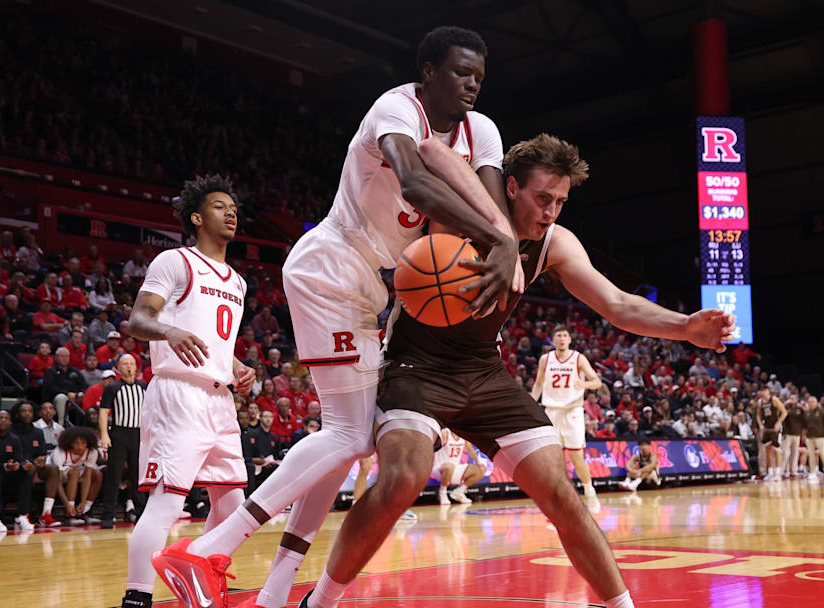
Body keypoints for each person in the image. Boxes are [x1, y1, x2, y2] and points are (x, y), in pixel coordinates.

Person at [279, 133, 734, 608]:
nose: (551, 211)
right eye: (542, 198)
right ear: (509, 187)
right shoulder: (454, 215)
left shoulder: (553, 244)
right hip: (416, 366)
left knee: (561, 492)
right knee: (402, 478)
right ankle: (322, 601)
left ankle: (623, 606)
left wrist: (685, 327)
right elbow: (434, 158)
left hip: (483, 371)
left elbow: (616, 303)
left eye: (559, 201)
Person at [153, 26, 522, 608]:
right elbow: (420, 184)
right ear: (429, 72)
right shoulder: (395, 107)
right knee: (351, 435)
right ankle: (204, 552)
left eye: (479, 75)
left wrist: (504, 245)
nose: (472, 83)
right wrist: (493, 241)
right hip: (332, 265)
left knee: (346, 438)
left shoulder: (484, 133)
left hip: (372, 287)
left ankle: (275, 590)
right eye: (459, 72)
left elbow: (494, 208)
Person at [118, 175, 256, 608]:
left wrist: (237, 366)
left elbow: (217, 342)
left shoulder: (237, 280)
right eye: (219, 206)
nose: (230, 213)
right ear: (197, 217)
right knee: (167, 503)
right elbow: (138, 321)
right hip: (177, 393)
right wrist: (169, 331)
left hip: (220, 398)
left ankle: (200, 568)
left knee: (234, 505)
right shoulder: (175, 262)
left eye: (233, 207)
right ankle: (137, 595)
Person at [530, 324, 602, 509]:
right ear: (553, 340)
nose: (562, 338)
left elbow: (596, 381)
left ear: (570, 339)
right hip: (552, 412)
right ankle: (560, 502)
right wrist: (530, 404)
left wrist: (584, 385)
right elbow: (538, 384)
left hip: (572, 412)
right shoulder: (545, 359)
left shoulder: (578, 358)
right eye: (558, 335)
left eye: (565, 335)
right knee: (554, 460)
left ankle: (589, 491)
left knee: (577, 458)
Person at [99, 355, 147, 528]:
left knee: (138, 476)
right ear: (118, 368)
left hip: (139, 434)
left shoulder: (144, 387)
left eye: (132, 363)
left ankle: (141, 514)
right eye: (125, 364)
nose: (129, 366)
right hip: (119, 434)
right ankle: (108, 515)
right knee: (114, 475)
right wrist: (104, 434)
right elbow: (104, 412)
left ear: (136, 367)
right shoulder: (113, 388)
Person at [0, 409, 35, 531]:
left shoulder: (14, 439)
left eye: (6, 418)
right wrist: (4, 466)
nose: (3, 420)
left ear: (10, 422)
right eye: (0, 418)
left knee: (26, 475)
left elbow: (19, 458)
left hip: (9, 474)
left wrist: (24, 464)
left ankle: (22, 515)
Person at [48, 426, 103, 525]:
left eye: (83, 443)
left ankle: (86, 510)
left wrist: (83, 502)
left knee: (97, 475)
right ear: (70, 443)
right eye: (77, 443)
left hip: (74, 471)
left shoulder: (92, 451)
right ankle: (70, 514)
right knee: (74, 473)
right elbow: (58, 482)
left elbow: (87, 477)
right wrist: (67, 504)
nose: (81, 447)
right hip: (54, 475)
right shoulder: (59, 452)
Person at [431, 429, 484, 505]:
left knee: (480, 470)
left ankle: (459, 492)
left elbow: (469, 448)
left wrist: (478, 462)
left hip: (455, 468)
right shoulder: (445, 433)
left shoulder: (463, 434)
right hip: (439, 468)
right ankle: (442, 493)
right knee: (449, 466)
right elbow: (434, 448)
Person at [43, 347, 87, 424]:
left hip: (74, 397)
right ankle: (61, 424)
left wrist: (79, 394)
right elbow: (51, 387)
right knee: (61, 397)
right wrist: (67, 393)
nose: (64, 358)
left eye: (66, 356)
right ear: (56, 357)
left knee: (85, 396)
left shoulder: (74, 371)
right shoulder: (51, 371)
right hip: (55, 398)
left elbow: (84, 385)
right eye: (62, 356)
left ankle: (85, 425)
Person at [755, 388, 787, 481]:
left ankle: (777, 472)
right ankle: (770, 472)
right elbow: (758, 415)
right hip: (766, 427)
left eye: (764, 390)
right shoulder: (760, 402)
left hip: (775, 428)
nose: (763, 392)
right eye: (762, 390)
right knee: (767, 451)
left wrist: (778, 423)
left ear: (768, 391)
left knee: (776, 450)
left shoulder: (774, 399)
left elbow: (784, 412)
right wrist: (760, 425)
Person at [804, 396, 824, 481]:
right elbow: (805, 425)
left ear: (816, 403)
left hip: (820, 436)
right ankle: (813, 472)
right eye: (809, 402)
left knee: (823, 454)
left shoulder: (821, 411)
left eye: (813, 402)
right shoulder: (807, 412)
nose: (811, 404)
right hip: (809, 437)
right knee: (811, 455)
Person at [780, 394, 805, 478]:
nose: (792, 400)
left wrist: (802, 406)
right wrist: (785, 403)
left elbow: (805, 417)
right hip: (787, 433)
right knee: (785, 453)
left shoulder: (799, 409)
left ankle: (793, 470)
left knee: (795, 453)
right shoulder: (786, 407)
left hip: (797, 433)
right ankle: (782, 471)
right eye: (791, 398)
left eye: (794, 398)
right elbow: (778, 412)